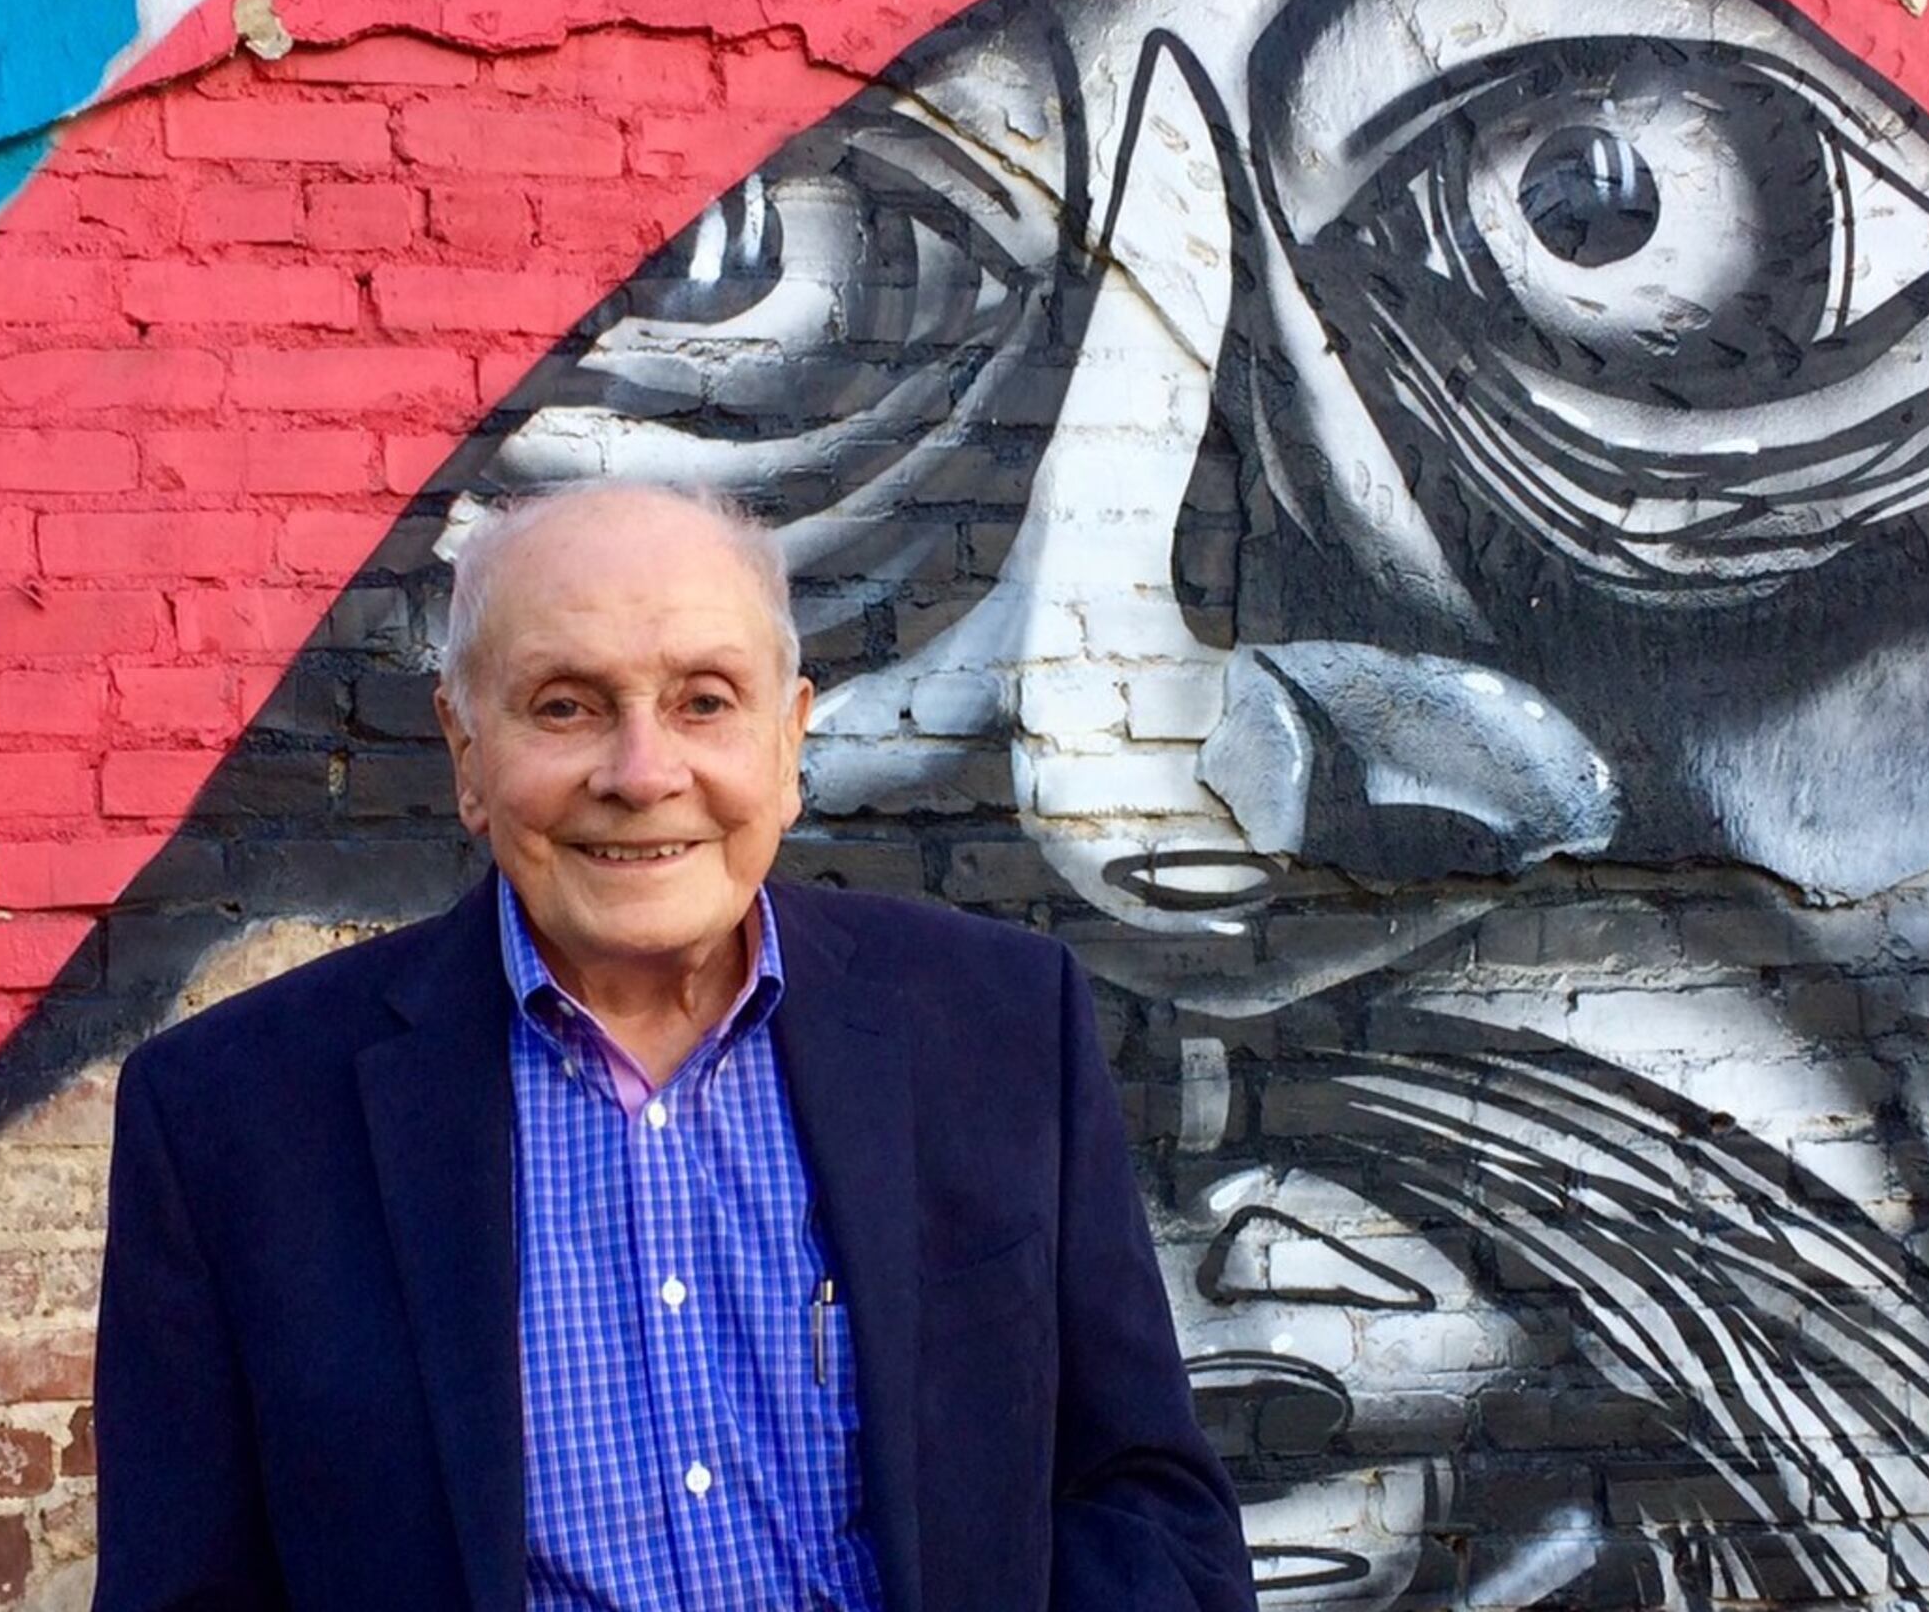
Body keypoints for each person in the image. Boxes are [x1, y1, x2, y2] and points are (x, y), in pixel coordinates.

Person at [91, 480, 1253, 1612]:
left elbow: (1134, 1492)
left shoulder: (999, 1025)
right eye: (565, 707)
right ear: (465, 751)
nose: (643, 774)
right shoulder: (230, 1120)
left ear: (789, 739)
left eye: (704, 702)